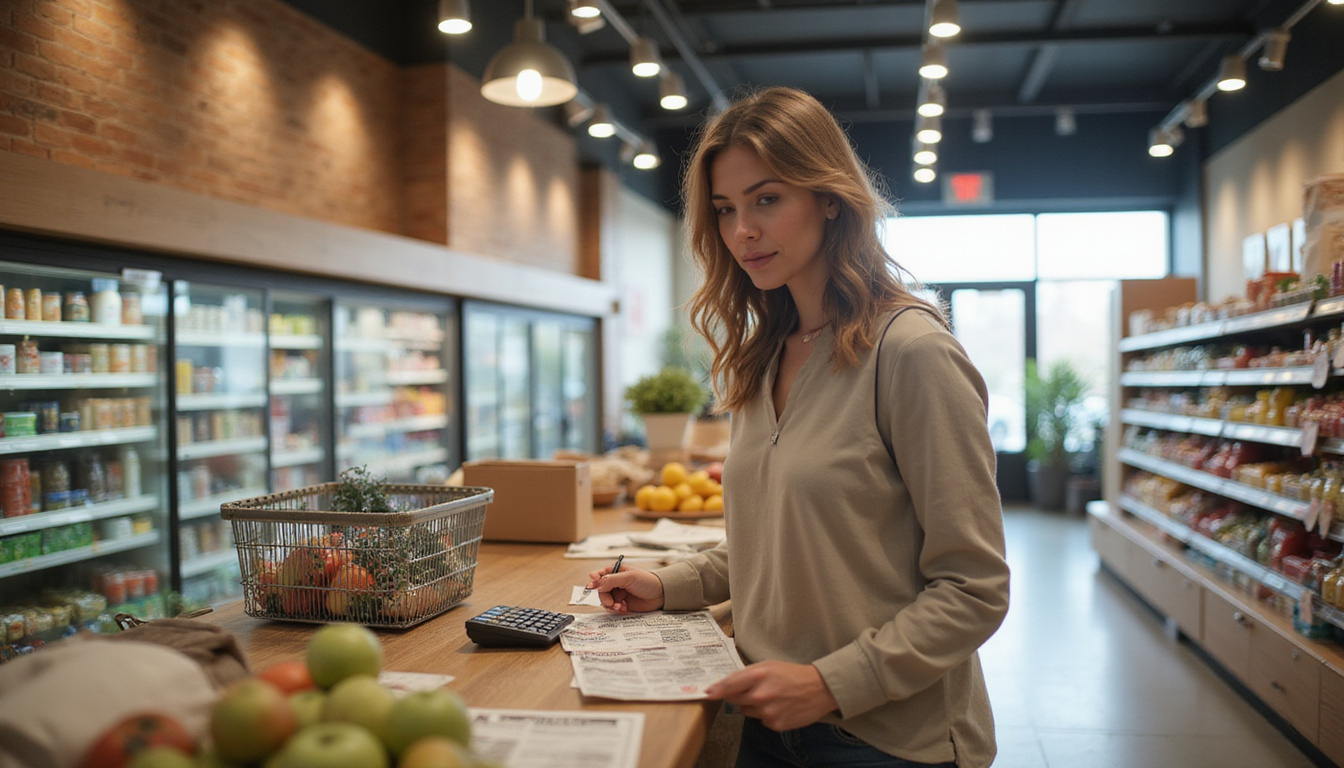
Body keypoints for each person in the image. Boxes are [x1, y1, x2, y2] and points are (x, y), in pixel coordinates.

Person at [588, 86, 1010, 768]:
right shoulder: (764, 357)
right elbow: (772, 544)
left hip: (887, 739)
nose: (742, 231)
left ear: (829, 197)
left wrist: (827, 684)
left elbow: (974, 588)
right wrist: (670, 582)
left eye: (767, 199)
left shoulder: (911, 353)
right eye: (725, 210)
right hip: (766, 723)